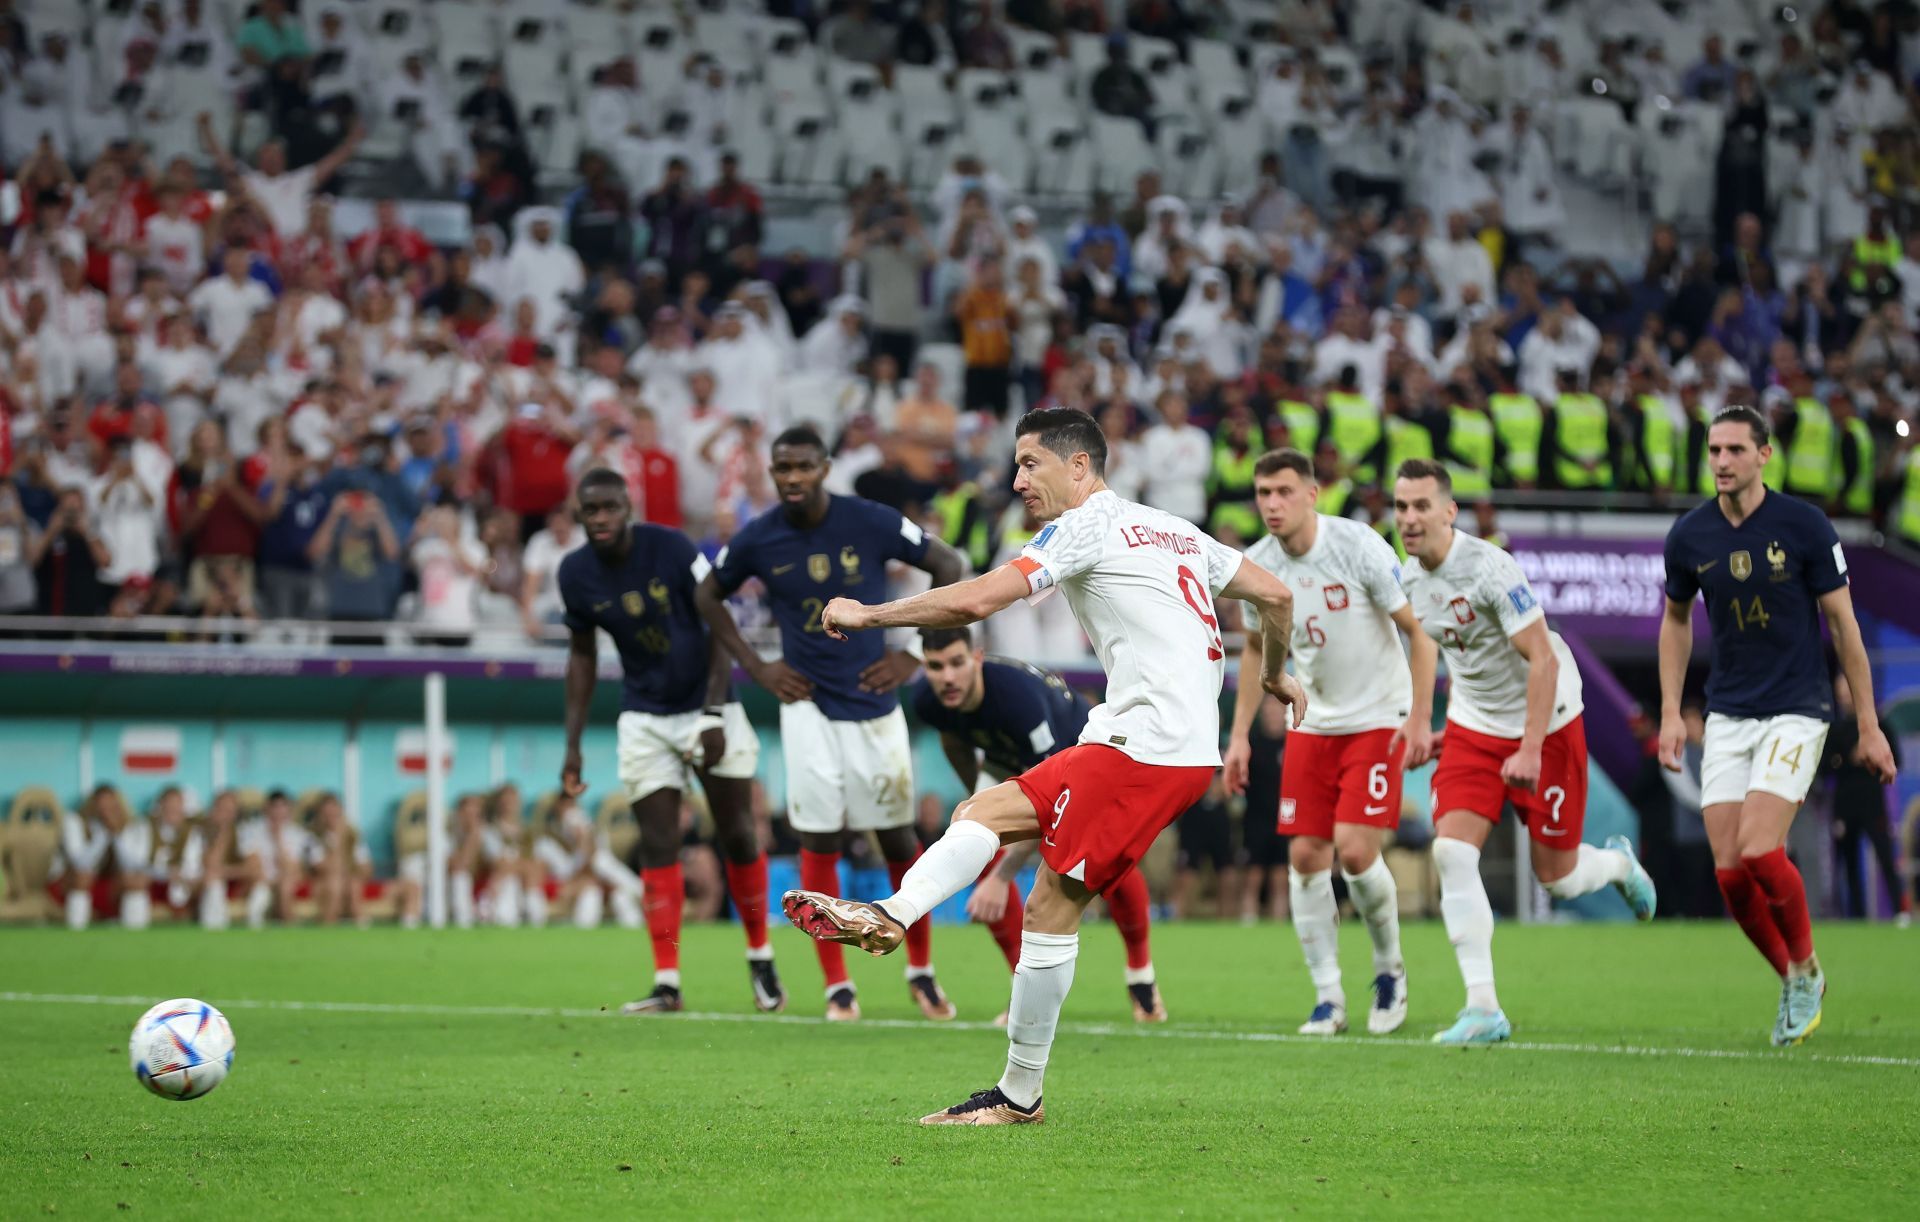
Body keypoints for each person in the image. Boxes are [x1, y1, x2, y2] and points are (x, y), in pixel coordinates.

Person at [778, 407, 1306, 1124]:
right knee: (1008, 848)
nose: (1018, 478)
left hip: (1146, 746)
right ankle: (982, 1043)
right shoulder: (1177, 528)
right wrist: (1274, 673)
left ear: (1080, 466)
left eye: (1032, 462)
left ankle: (923, 959)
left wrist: (870, 615)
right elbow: (1276, 594)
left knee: (1025, 873)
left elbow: (978, 597)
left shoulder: (1085, 526)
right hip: (1150, 742)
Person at [695, 427, 967, 1022]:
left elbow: (950, 562)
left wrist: (917, 653)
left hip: (874, 700)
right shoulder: (760, 537)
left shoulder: (868, 520)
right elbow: (707, 594)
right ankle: (837, 987)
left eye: (802, 467)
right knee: (818, 839)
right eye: (781, 468)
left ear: (824, 467)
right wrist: (757, 668)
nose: (791, 478)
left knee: (897, 837)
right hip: (807, 705)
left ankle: (920, 972)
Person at [1394, 458, 1655, 1046]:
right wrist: (1431, 725)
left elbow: (1544, 657)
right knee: (1452, 854)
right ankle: (1483, 1007)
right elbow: (1448, 651)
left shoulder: (1490, 568)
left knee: (1556, 877)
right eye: (1401, 507)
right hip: (1474, 725)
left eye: (1421, 507)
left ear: (1449, 511)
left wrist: (1532, 748)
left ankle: (1618, 865)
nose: (1409, 518)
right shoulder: (1411, 579)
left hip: (1549, 722)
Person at [1657, 406, 1897, 1046]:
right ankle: (1795, 978)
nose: (1722, 462)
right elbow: (1675, 621)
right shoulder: (1689, 536)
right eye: (1713, 450)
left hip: (1797, 708)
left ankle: (1807, 970)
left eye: (1735, 449)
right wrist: (1670, 712)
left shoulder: (1804, 526)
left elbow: (1845, 627)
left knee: (1762, 850)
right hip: (1728, 712)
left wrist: (1868, 725)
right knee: (1731, 874)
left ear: (1764, 455)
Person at [1222, 449, 1437, 1037]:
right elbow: (1254, 656)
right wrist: (1238, 735)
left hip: (1377, 715)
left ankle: (1390, 971)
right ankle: (1328, 997)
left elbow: (1417, 633)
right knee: (1305, 857)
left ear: (1312, 494)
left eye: (1284, 491)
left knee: (1357, 850)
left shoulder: (1358, 545)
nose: (1271, 503)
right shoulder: (1257, 566)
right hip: (1313, 721)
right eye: (1263, 493)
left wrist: (1418, 717)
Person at [557, 469, 781, 1013]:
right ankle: (667, 982)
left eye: (611, 507)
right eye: (592, 510)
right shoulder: (576, 573)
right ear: (580, 515)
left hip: (709, 702)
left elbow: (719, 623)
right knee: (658, 844)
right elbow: (583, 655)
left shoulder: (673, 548)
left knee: (736, 835)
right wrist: (573, 744)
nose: (602, 518)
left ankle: (760, 956)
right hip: (645, 717)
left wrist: (711, 712)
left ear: (628, 506)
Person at [912, 625, 1167, 1024]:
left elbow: (1053, 800)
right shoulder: (927, 699)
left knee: (1105, 867)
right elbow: (953, 737)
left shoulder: (1019, 701)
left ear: (977, 658)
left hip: (1083, 760)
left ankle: (1141, 977)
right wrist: (978, 802)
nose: (947, 676)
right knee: (972, 848)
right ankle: (1023, 990)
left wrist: (1004, 875)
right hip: (1009, 761)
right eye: (936, 666)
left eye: (957, 663)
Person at [1821, 676, 1907, 922]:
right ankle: (1856, 917)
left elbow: (1895, 761)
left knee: (1886, 858)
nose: (1844, 695)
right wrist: (1848, 758)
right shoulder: (1835, 730)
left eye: (1848, 689)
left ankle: (1900, 912)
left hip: (1873, 805)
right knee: (1848, 865)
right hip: (1845, 807)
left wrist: (1871, 757)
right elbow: (1824, 767)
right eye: (1840, 691)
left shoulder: (1880, 726)